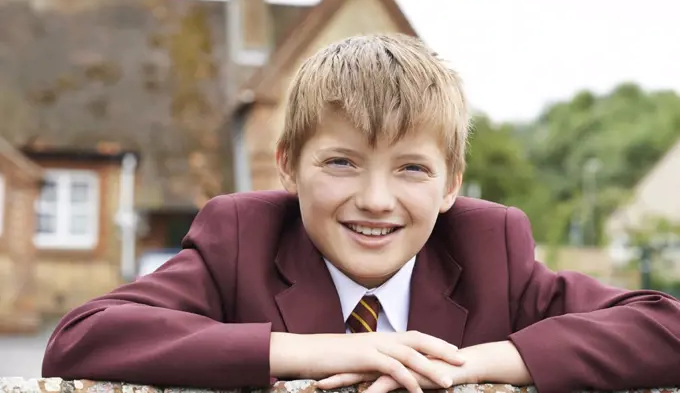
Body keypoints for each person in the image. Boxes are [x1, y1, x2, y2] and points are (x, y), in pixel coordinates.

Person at [42, 34, 680, 393]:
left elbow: (665, 327)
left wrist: (475, 364)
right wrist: (309, 353)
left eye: (412, 168)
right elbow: (82, 337)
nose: (376, 200)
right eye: (342, 163)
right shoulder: (241, 235)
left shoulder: (490, 246)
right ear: (288, 165)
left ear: (451, 183)